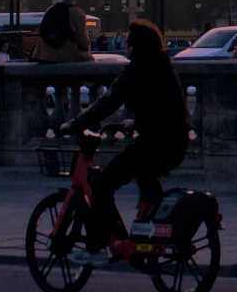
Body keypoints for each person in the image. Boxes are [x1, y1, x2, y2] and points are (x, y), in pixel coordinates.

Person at [58, 20, 190, 266]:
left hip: (155, 143)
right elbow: (162, 106)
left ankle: (97, 247)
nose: (126, 47)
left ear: (135, 46)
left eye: (129, 43)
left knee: (103, 185)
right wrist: (137, 122)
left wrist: (76, 123)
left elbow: (107, 102)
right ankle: (143, 239)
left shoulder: (137, 69)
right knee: (147, 182)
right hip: (174, 142)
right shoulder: (162, 64)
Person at [33, 0, 91, 64]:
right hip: (65, 56)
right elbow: (83, 39)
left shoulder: (50, 9)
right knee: (90, 60)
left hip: (44, 55)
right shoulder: (78, 13)